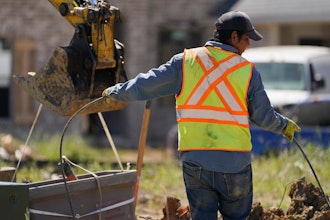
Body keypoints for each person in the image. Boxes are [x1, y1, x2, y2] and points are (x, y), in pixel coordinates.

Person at [102, 11, 301, 220]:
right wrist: (283, 125)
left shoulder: (185, 62)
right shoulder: (248, 71)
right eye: (246, 39)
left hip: (196, 161)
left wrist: (116, 92)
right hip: (235, 163)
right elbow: (264, 117)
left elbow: (147, 84)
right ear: (234, 37)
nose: (248, 45)